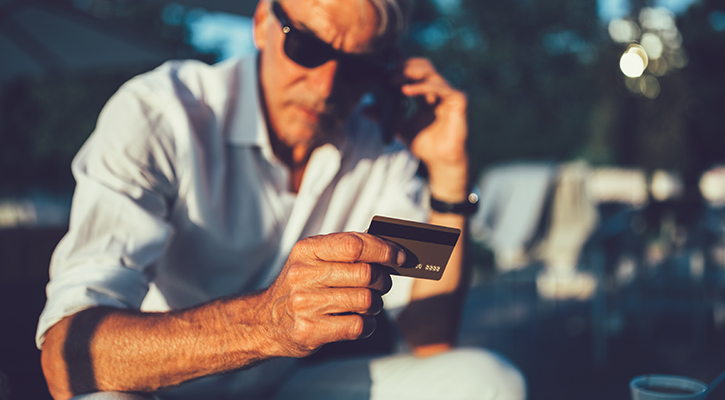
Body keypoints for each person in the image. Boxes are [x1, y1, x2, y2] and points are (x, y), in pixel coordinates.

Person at [37, 0, 526, 399]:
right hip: (163, 381)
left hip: (290, 384)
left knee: (487, 382)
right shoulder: (161, 114)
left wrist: (449, 175)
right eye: (308, 47)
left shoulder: (382, 148)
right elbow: (66, 356)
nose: (327, 85)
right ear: (261, 23)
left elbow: (430, 340)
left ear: (385, 71)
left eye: (358, 67)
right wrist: (269, 323)